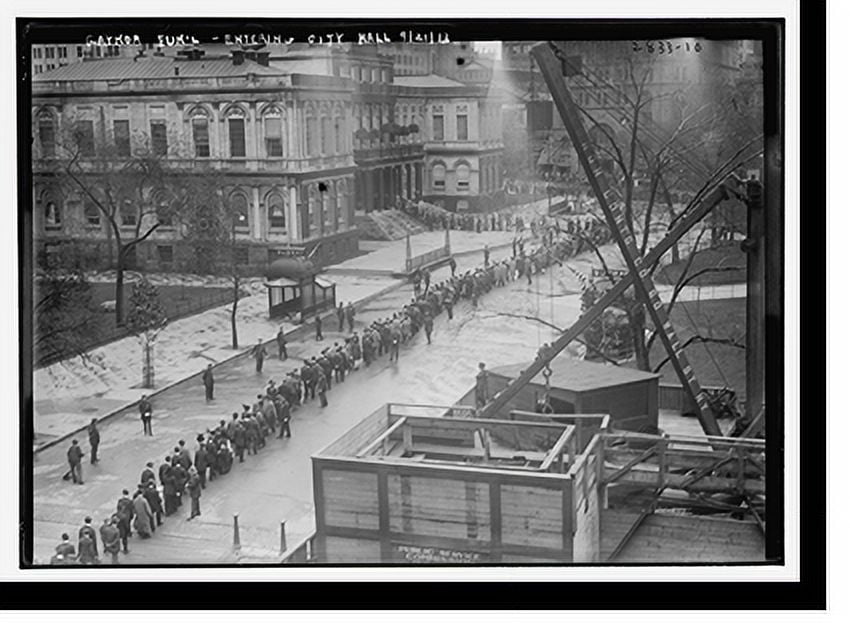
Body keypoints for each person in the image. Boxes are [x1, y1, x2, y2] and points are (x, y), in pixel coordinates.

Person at [115, 490, 133, 554]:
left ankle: (123, 546)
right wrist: (131, 516)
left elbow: (117, 509)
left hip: (121, 519)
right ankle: (125, 548)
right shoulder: (130, 502)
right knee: (126, 529)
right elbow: (131, 510)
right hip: (127, 518)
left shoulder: (120, 501)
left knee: (122, 533)